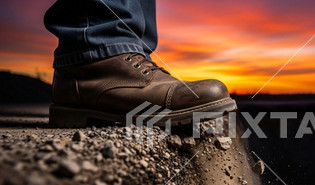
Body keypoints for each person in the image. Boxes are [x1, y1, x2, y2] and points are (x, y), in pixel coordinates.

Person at [44, 0, 236, 127]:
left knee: (132, 40)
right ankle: (96, 50)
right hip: (89, 57)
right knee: (109, 36)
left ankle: (126, 46)